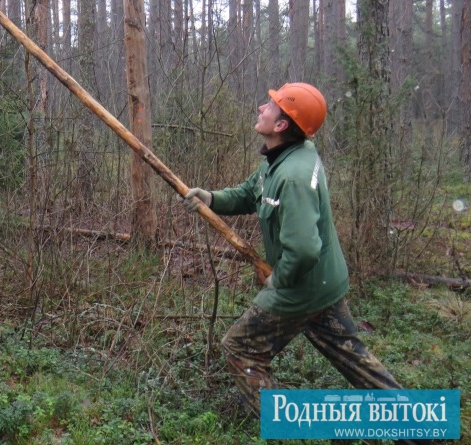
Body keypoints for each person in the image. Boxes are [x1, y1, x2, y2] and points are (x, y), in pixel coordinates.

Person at [180, 84, 430, 445]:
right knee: (354, 359)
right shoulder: (283, 157)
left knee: (240, 348)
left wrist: (278, 280)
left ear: (282, 125)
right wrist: (212, 198)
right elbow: (252, 192)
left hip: (301, 289)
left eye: (270, 105)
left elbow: (303, 249)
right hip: (325, 285)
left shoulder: (293, 176)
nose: (261, 107)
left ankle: (285, 429)